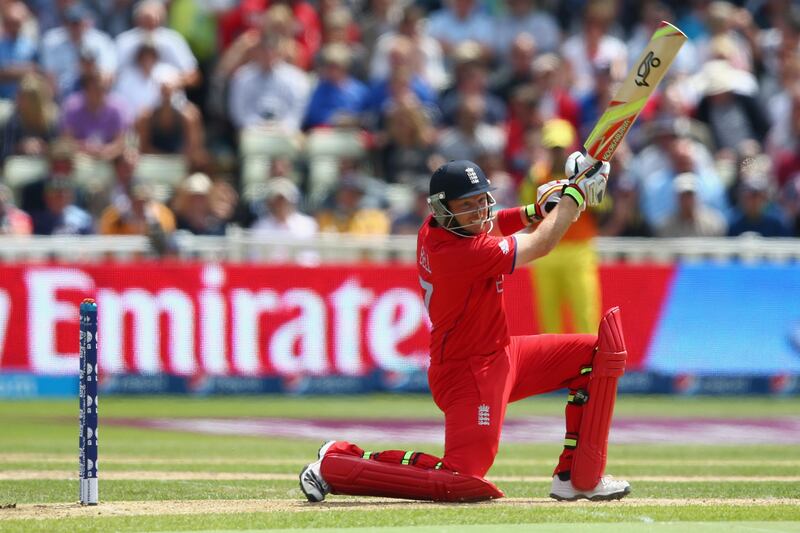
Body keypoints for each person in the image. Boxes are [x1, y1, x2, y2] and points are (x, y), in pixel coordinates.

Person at [300, 155, 633, 503]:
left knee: (597, 354)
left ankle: (576, 477)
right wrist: (573, 200)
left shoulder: (437, 227)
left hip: (502, 354)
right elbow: (541, 245)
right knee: (462, 478)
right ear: (445, 209)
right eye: (467, 206)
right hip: (469, 374)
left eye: (482, 201)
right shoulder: (458, 253)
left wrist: (534, 211)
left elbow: (491, 223)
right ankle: (338, 464)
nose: (479, 212)